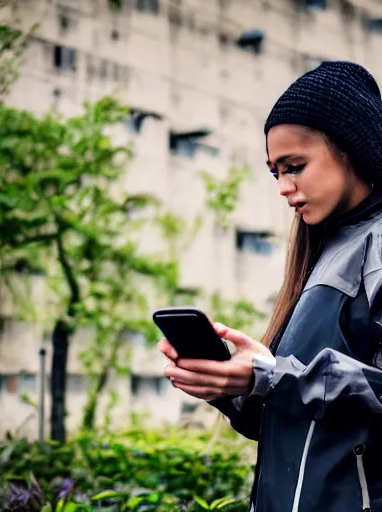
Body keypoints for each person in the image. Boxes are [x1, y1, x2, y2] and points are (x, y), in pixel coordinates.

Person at [158, 61, 382, 512]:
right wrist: (230, 385)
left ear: (351, 149)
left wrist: (273, 374)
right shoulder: (322, 254)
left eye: (294, 166)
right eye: (274, 172)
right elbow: (293, 421)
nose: (282, 187)